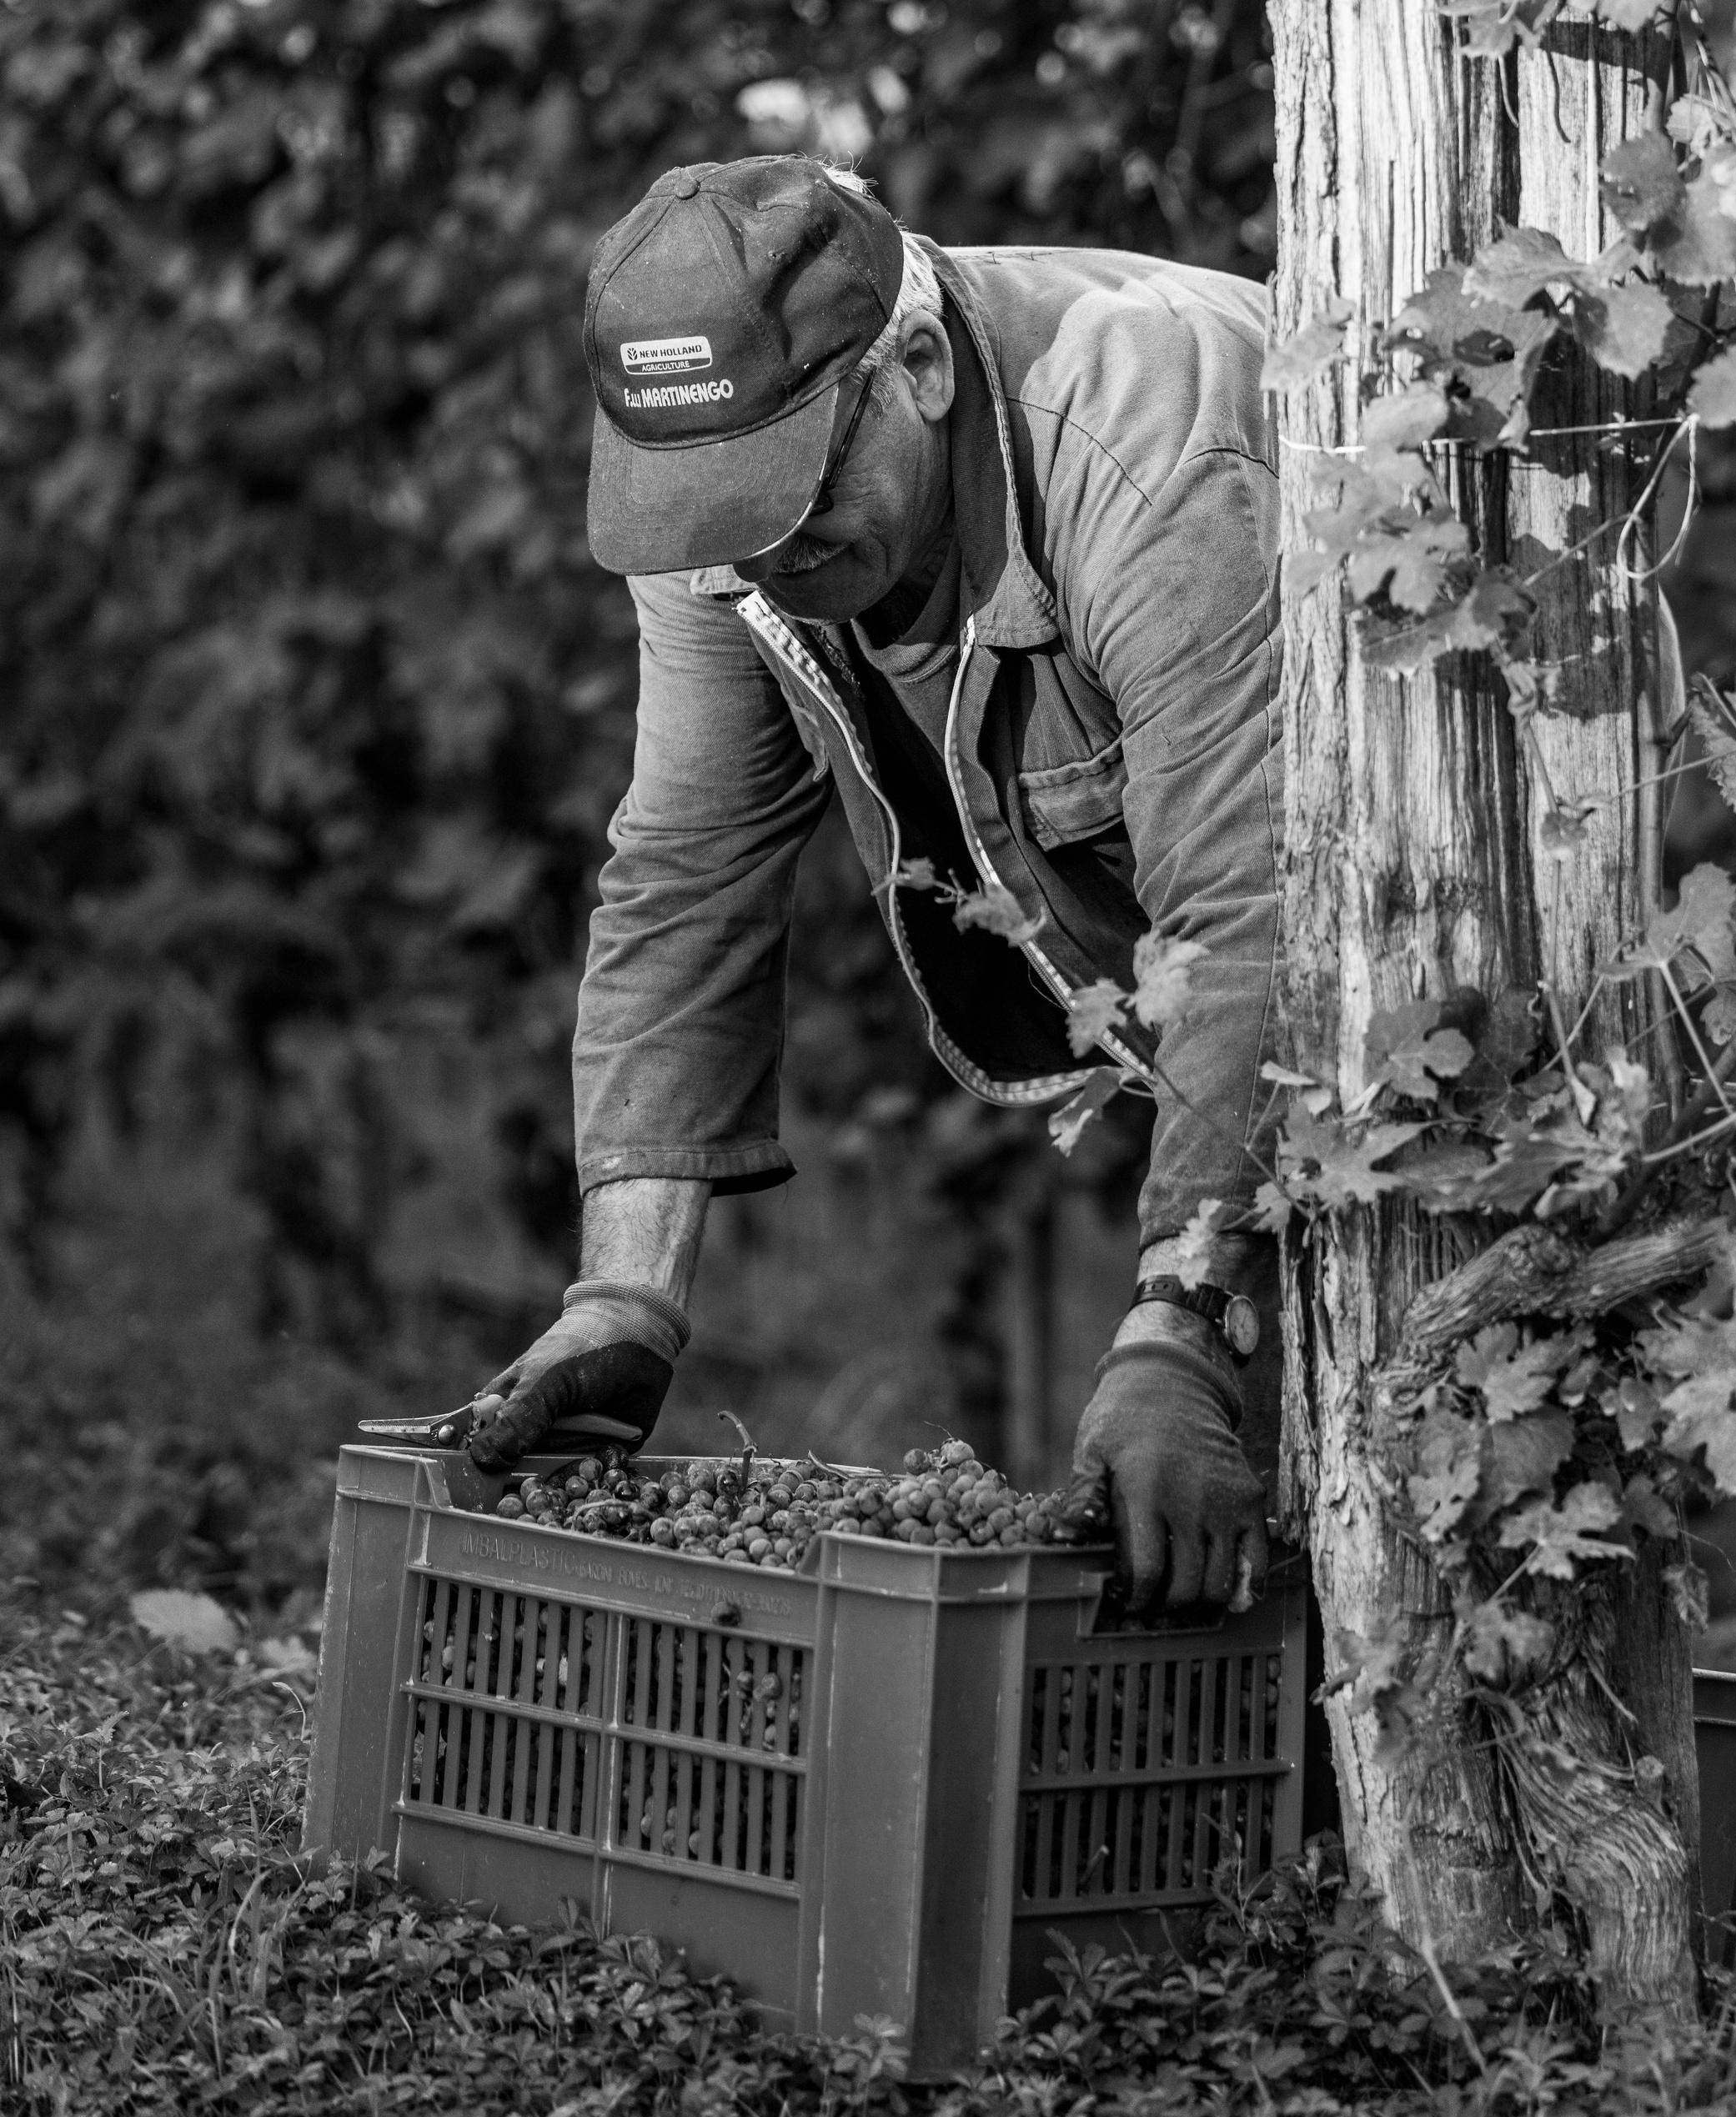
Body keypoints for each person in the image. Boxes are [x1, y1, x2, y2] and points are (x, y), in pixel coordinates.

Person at [466, 154, 1282, 1616]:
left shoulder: (1156, 459)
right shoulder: (727, 521)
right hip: (1246, 1008)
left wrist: (1187, 1316)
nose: (754, 560)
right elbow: (685, 871)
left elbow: (1261, 908)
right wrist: (624, 1299)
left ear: (915, 365)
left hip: (1455, 968)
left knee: (1370, 1487)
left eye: (786, 497)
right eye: (712, 513)